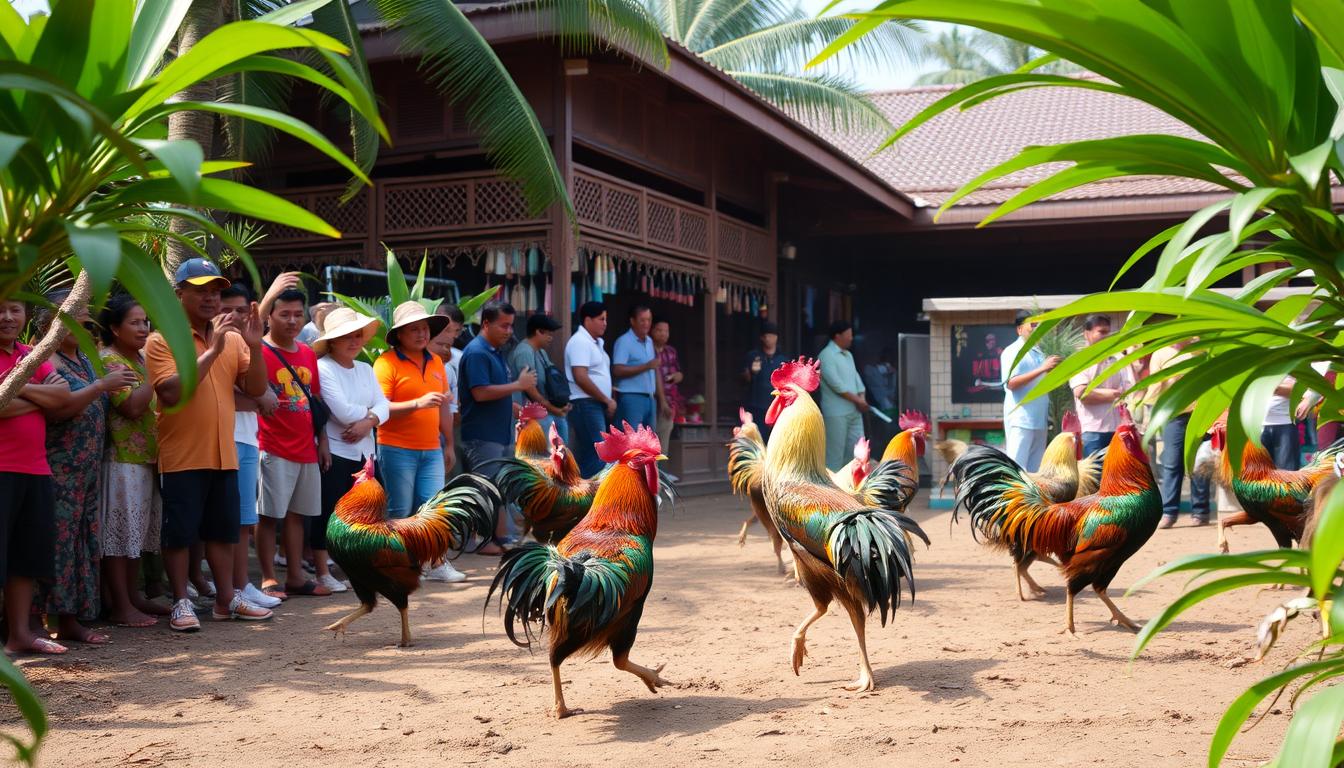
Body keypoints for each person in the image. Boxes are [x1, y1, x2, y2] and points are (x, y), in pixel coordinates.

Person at [146, 258, 276, 632]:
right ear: (178, 294)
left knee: (222, 530)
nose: (210, 298)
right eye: (200, 290)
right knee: (180, 533)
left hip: (224, 451)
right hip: (181, 454)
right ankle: (181, 602)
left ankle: (225, 599)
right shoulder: (162, 340)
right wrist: (213, 349)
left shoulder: (235, 339)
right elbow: (171, 393)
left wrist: (255, 346)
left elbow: (254, 389)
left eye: (215, 291)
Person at [38, 298, 138, 645]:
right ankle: (41, 621)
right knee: (58, 541)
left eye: (85, 319)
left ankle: (72, 619)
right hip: (59, 465)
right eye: (74, 318)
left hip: (88, 467)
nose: (83, 325)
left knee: (82, 540)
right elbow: (60, 410)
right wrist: (100, 386)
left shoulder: (83, 358)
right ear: (52, 322)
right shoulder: (44, 360)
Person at [0, 298, 71, 654]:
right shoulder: (33, 362)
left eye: (14, 309)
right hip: (2, 469)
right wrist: (41, 396)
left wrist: (17, 386)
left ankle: (19, 635)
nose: (7, 317)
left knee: (25, 559)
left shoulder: (31, 355)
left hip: (35, 468)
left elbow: (62, 397)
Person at [98, 295, 171, 627]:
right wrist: (156, 372)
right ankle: (121, 605)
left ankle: (133, 596)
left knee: (136, 534)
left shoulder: (140, 360)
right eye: (135, 322)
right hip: (120, 458)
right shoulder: (109, 361)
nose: (143, 328)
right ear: (114, 328)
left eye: (146, 322)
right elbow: (131, 407)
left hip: (146, 457)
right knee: (119, 535)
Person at [256, 288, 332, 600]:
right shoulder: (258, 351)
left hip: (306, 446)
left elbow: (315, 400)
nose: (291, 320)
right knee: (269, 515)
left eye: (297, 314)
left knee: (299, 514)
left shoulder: (307, 353)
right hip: (271, 444)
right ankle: (268, 578)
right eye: (284, 314)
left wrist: (322, 441)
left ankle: (297, 577)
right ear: (269, 316)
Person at [315, 307, 388, 594]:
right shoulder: (323, 367)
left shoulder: (366, 369)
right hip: (336, 450)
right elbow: (341, 411)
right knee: (328, 513)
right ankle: (323, 571)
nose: (354, 341)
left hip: (365, 451)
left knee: (369, 514)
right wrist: (371, 416)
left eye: (358, 335)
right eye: (346, 336)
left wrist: (368, 420)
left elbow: (385, 407)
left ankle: (362, 566)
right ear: (332, 340)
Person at [219, 284, 282, 611]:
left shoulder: (247, 345)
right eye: (225, 309)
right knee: (226, 520)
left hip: (246, 437)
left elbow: (256, 390)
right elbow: (221, 391)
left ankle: (242, 583)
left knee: (244, 519)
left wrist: (256, 398)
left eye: (241, 310)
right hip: (220, 437)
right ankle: (225, 586)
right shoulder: (214, 342)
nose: (233, 316)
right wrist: (258, 399)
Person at [460, 301, 536, 552]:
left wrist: (512, 407)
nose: (508, 331)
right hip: (482, 434)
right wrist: (518, 386)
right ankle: (480, 541)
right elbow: (480, 393)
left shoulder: (494, 351)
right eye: (503, 325)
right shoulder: (477, 352)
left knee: (499, 487)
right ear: (485, 324)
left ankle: (499, 538)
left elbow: (494, 392)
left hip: (499, 432)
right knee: (485, 486)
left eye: (511, 326)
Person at [374, 302, 455, 525]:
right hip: (396, 448)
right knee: (400, 510)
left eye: (425, 328)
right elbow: (380, 409)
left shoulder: (436, 361)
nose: (422, 334)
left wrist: (449, 444)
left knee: (433, 510)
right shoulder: (385, 363)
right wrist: (418, 404)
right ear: (399, 334)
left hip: (432, 450)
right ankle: (397, 559)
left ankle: (429, 560)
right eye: (414, 329)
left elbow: (443, 406)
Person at [1145, 339, 1211, 528]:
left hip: (1201, 414)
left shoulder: (1202, 350)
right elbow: (1155, 386)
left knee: (1199, 463)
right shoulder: (1160, 354)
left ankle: (1201, 512)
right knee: (1172, 464)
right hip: (1174, 416)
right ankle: (1169, 512)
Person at [1000, 310, 1060, 473]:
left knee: (1035, 470)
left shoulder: (1038, 351)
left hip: (1038, 419)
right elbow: (1011, 383)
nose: (1037, 329)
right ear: (1019, 329)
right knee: (1016, 468)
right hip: (1021, 420)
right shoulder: (1012, 351)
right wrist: (1042, 368)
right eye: (1032, 325)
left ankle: (1032, 499)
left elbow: (1039, 380)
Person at [1069, 314, 1134, 457]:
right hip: (1093, 431)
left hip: (1116, 429)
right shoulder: (1080, 361)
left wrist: (1104, 393)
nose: (1106, 336)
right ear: (1086, 334)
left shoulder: (1116, 358)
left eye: (1108, 332)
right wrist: (1114, 394)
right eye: (1101, 332)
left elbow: (1128, 389)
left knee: (1114, 478)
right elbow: (1082, 394)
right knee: (1094, 477)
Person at [565, 301, 616, 477]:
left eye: (606, 319)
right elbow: (580, 376)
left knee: (593, 451)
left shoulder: (596, 343)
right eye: (601, 319)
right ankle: (580, 494)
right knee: (600, 452)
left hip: (594, 404)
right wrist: (606, 399)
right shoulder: (580, 341)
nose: (605, 323)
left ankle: (583, 496)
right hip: (585, 403)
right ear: (588, 320)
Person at [509, 313, 570, 441]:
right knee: (544, 456)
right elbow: (529, 388)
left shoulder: (541, 352)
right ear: (538, 332)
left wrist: (560, 405)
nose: (551, 338)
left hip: (547, 410)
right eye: (548, 334)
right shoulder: (524, 351)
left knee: (560, 453)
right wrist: (552, 408)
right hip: (532, 412)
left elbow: (550, 381)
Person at [818, 320, 867, 471]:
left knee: (857, 453)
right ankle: (831, 492)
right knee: (834, 455)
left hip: (854, 411)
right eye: (849, 334)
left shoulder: (848, 355)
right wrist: (859, 400)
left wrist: (862, 398)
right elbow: (837, 386)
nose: (851, 338)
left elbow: (856, 379)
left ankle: (850, 489)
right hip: (836, 414)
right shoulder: (826, 355)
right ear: (837, 336)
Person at [611, 304, 666, 432]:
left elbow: (654, 369)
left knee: (648, 443)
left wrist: (661, 399)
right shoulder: (624, 341)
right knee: (632, 442)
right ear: (633, 321)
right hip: (631, 397)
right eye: (642, 320)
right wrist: (646, 366)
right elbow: (617, 370)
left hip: (650, 398)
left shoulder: (649, 341)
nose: (646, 324)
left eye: (649, 320)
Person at [742, 321, 787, 438]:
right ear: (761, 338)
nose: (768, 339)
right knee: (758, 439)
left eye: (771, 336)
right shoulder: (753, 356)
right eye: (765, 336)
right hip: (756, 405)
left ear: (776, 338)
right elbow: (744, 380)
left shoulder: (783, 359)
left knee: (776, 439)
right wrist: (752, 372)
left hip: (776, 406)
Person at [651, 317, 684, 451]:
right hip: (653, 401)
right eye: (659, 330)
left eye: (666, 331)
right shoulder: (648, 349)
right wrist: (662, 401)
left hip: (669, 402)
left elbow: (680, 374)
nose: (663, 334)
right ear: (652, 331)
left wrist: (677, 376)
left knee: (662, 446)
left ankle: (659, 472)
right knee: (650, 441)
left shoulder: (671, 351)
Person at [1264, 375, 1300, 470]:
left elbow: (1297, 389)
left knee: (1287, 476)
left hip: (1285, 424)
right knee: (1255, 476)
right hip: (1254, 425)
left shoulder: (1292, 364)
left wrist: (1264, 385)